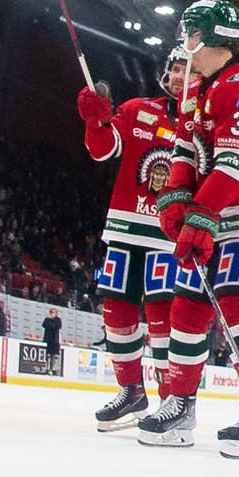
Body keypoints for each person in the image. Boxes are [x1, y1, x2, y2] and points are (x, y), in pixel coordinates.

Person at [137, 0, 239, 459]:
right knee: (187, 307)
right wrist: (174, 199)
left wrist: (199, 215)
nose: (183, 41)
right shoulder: (197, 89)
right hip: (215, 214)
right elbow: (186, 151)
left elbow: (235, 167)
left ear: (201, 35)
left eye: (188, 32)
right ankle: (179, 406)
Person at [78, 48, 185, 431]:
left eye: (187, 70)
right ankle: (131, 391)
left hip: (170, 238)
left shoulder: (204, 123)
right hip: (125, 230)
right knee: (117, 311)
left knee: (163, 317)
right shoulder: (138, 109)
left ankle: (171, 399)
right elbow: (102, 150)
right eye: (175, 69)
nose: (179, 76)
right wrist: (95, 119)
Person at [43, 308, 62, 376]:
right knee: (46, 355)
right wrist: (49, 319)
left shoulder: (58, 320)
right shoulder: (47, 319)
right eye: (50, 312)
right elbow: (44, 325)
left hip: (54, 340)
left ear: (56, 313)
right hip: (47, 339)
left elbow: (56, 326)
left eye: (53, 312)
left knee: (53, 356)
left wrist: (52, 319)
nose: (51, 313)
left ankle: (51, 369)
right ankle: (46, 368)